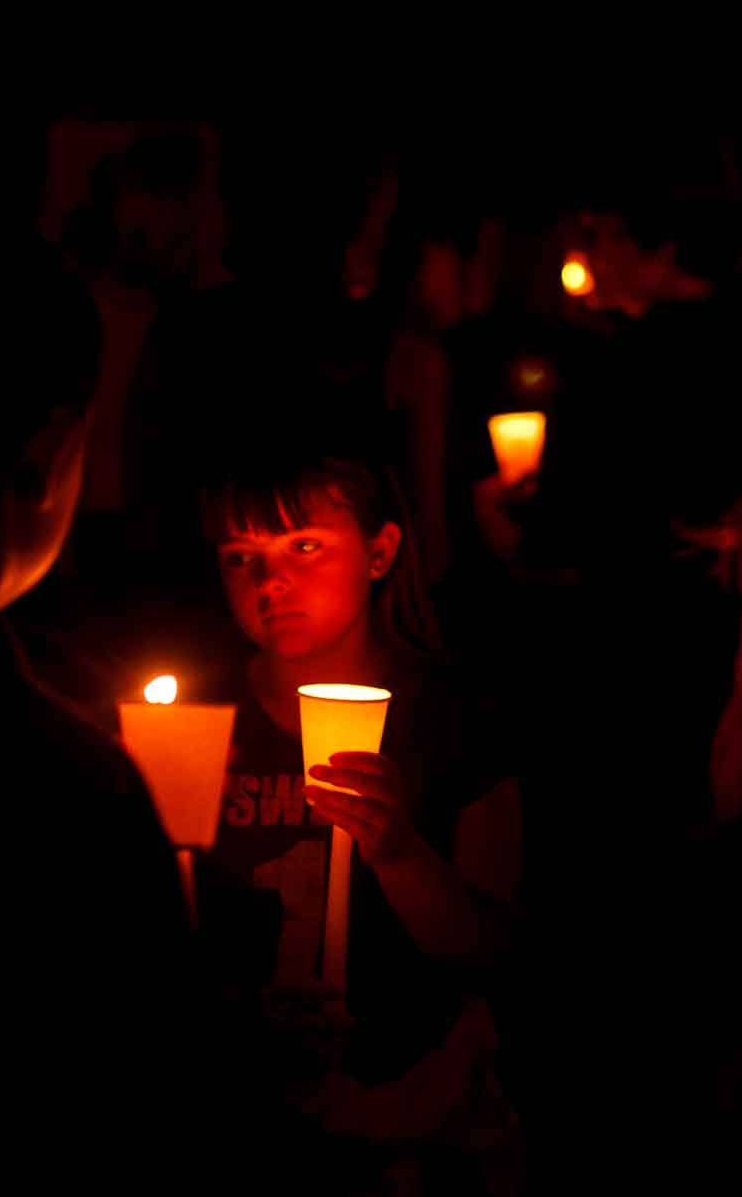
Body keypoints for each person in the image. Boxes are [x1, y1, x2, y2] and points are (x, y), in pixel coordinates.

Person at [192, 437, 525, 1191]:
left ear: (380, 553)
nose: (271, 578)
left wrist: (399, 851)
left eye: (304, 545)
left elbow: (496, 953)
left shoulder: (453, 721)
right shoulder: (193, 721)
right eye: (240, 556)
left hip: (422, 1119)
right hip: (238, 1126)